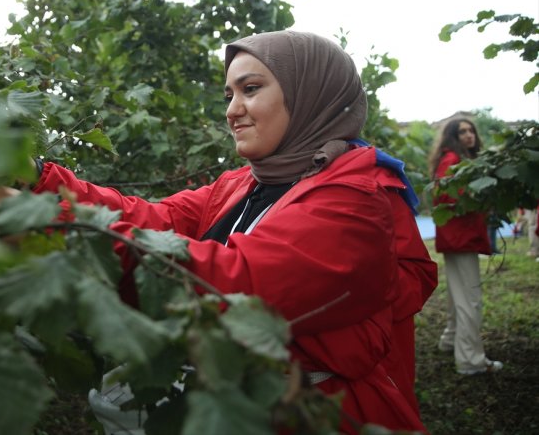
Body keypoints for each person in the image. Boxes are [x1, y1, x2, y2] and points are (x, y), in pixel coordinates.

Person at [33, 30, 433, 434]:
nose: (232, 111)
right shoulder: (244, 184)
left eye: (251, 89)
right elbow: (156, 220)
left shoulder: (355, 199)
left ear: (310, 93)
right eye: (229, 95)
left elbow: (237, 284)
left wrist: (55, 225)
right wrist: (39, 184)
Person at [429, 118, 503, 375]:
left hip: (458, 238)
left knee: (457, 295)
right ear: (453, 136)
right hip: (461, 238)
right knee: (469, 299)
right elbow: (448, 196)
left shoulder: (455, 159)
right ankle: (470, 360)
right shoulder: (452, 160)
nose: (469, 135)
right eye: (462, 131)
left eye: (471, 130)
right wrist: (481, 195)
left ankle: (450, 340)